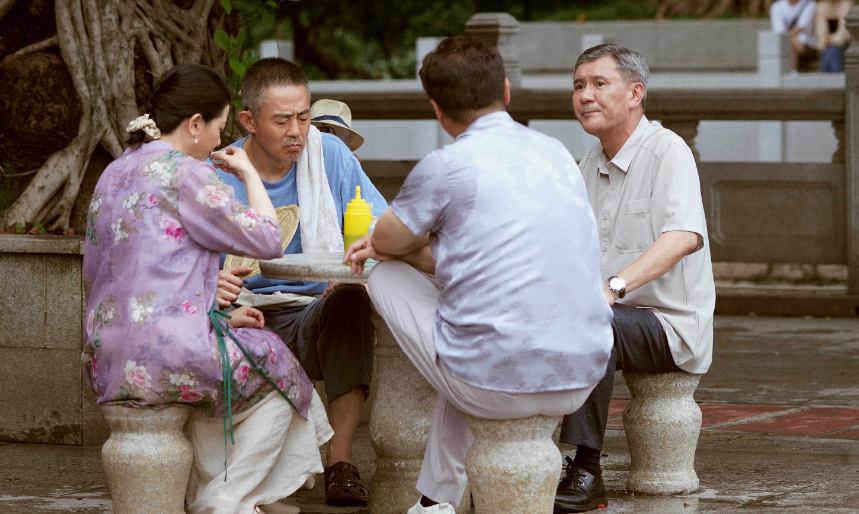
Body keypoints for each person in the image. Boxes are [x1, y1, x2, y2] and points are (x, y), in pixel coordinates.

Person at [343, 35, 614, 514]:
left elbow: (383, 242)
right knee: (470, 329)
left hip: (496, 378)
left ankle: (434, 502)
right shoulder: (557, 154)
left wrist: (402, 251)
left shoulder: (447, 166)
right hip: (582, 369)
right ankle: (433, 501)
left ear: (437, 109)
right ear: (506, 91)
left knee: (386, 277)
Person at [81, 63, 332, 514]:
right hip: (169, 352)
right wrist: (249, 173)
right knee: (281, 370)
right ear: (195, 124)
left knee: (245, 350)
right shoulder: (188, 174)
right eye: (219, 128)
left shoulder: (114, 172)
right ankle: (227, 498)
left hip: (107, 352)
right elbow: (267, 240)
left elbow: (138, 272)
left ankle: (247, 496)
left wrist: (214, 312)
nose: (221, 141)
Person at [215, 58, 386, 507]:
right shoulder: (219, 173)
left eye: (305, 117)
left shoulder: (329, 154)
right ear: (248, 120)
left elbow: (383, 226)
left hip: (312, 309)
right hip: (239, 312)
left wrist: (353, 274)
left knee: (350, 300)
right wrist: (218, 297)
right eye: (283, 120)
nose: (297, 131)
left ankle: (341, 460)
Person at [554, 44, 715, 512]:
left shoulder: (667, 151)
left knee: (592, 321)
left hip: (669, 323)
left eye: (600, 84)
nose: (585, 95)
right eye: (579, 85)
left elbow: (683, 236)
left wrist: (613, 288)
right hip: (610, 313)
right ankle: (518, 454)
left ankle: (585, 468)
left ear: (635, 93)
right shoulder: (585, 165)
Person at [770, 0, 818, 73]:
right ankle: (793, 73)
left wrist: (791, 38)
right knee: (790, 44)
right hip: (785, 45)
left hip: (807, 46)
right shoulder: (776, 6)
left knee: (792, 45)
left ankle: (793, 73)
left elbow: (801, 27)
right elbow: (779, 31)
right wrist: (792, 38)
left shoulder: (809, 4)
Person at [816, 0, 852, 72]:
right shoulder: (821, 6)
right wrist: (825, 40)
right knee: (830, 50)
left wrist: (832, 40)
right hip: (826, 44)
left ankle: (830, 76)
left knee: (833, 50)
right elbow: (820, 28)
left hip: (844, 42)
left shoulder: (846, 5)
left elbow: (844, 29)